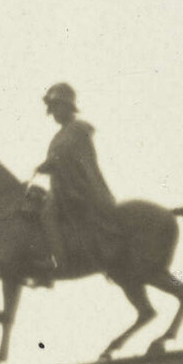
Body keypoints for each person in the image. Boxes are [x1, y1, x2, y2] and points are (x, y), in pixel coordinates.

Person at [32, 83, 123, 274]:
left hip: (79, 189)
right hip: (63, 188)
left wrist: (50, 163)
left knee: (48, 213)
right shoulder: (62, 133)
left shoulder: (78, 129)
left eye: (56, 107)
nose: (54, 113)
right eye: (52, 109)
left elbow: (68, 155)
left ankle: (60, 262)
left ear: (68, 106)